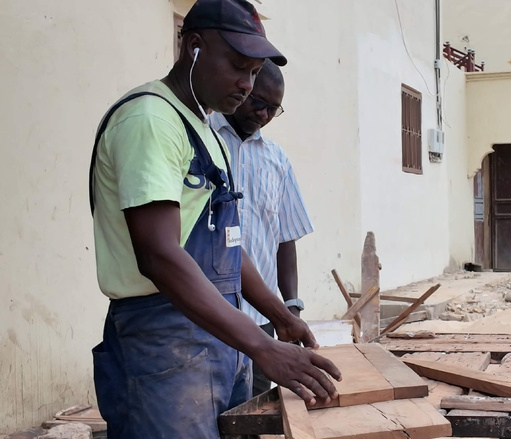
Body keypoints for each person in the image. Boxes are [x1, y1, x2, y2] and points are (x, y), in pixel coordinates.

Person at [88, 0, 340, 437]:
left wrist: (279, 315)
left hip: (221, 333)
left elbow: (227, 247)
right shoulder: (151, 120)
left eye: (254, 73)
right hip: (163, 341)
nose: (246, 84)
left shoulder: (205, 130)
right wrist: (261, 346)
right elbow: (159, 255)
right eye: (238, 67)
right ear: (194, 47)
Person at [210, 62, 314, 396]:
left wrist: (290, 308)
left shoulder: (277, 160)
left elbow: (285, 238)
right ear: (243, 88)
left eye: (273, 109)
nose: (264, 114)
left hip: (261, 320)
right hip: (207, 316)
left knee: (253, 411)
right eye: (258, 102)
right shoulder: (202, 139)